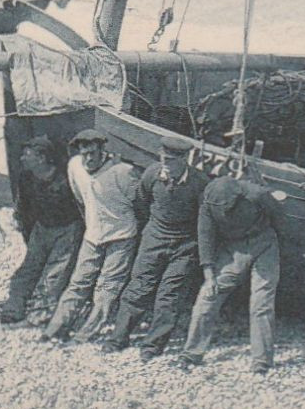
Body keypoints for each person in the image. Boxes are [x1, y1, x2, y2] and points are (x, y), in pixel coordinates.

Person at [177, 163, 287, 373]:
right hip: (233, 249)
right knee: (207, 297)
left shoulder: (256, 194)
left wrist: (277, 246)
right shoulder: (208, 201)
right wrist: (209, 276)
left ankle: (261, 361)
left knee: (261, 303)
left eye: (227, 207)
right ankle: (191, 353)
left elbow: (279, 218)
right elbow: (205, 237)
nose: (223, 211)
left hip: (263, 244)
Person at [103, 141, 205, 358]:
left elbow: (204, 219)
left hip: (185, 246)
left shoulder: (199, 183)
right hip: (154, 239)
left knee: (170, 296)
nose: (165, 165)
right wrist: (152, 231)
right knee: (138, 287)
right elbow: (141, 202)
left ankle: (152, 346)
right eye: (162, 159)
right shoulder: (152, 174)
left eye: (170, 161)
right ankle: (118, 338)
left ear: (184, 160)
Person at [43, 129, 142, 344]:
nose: (88, 159)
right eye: (84, 153)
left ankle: (86, 334)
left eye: (93, 154)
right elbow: (80, 198)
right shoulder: (74, 166)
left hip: (121, 236)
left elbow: (139, 202)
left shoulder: (122, 171)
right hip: (93, 235)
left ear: (102, 151)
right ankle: (55, 329)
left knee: (106, 288)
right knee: (78, 284)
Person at [1, 137, 83, 324]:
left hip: (67, 230)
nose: (22, 158)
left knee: (54, 274)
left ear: (42, 158)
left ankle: (41, 312)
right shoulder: (26, 178)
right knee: (27, 270)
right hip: (42, 228)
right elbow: (24, 208)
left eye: (27, 155)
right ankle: (14, 307)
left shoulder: (65, 179)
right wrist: (28, 232)